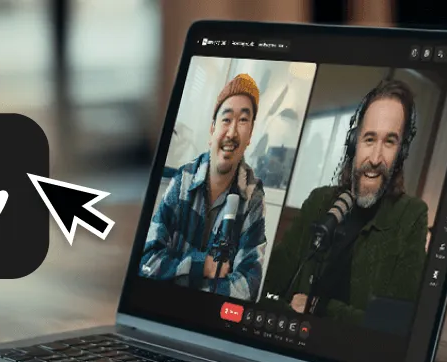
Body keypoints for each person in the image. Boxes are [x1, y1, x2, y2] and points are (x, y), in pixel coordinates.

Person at [262, 79, 428, 326]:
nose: (375, 158)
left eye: (389, 142)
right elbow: (266, 287)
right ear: (354, 143)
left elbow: (395, 324)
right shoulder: (319, 202)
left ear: (401, 152)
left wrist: (320, 307)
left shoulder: (411, 216)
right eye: (369, 139)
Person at [138, 74, 267, 301]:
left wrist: (176, 281)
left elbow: (247, 288)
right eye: (226, 119)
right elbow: (147, 262)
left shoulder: (252, 196)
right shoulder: (183, 180)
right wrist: (202, 267)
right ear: (212, 129)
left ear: (250, 137)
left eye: (243, 120)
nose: (232, 133)